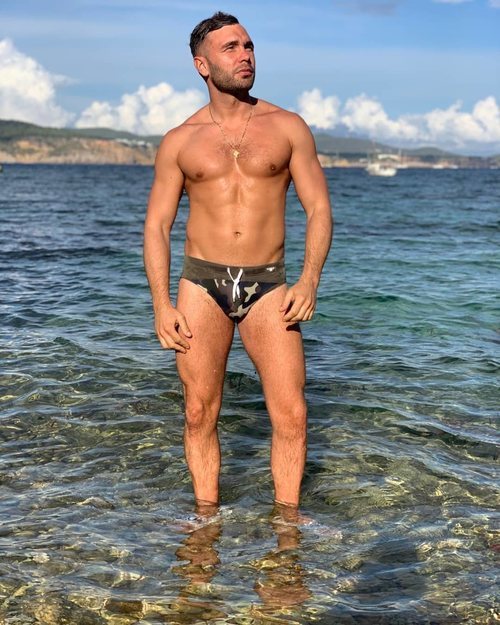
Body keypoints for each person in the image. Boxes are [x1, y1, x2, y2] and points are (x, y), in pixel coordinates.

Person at [144, 12, 333, 511]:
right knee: (198, 411)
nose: (245, 55)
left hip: (269, 285)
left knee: (292, 414)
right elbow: (157, 226)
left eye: (248, 45)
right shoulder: (180, 140)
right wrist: (161, 305)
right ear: (202, 65)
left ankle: (287, 527)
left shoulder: (288, 127)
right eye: (230, 48)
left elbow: (319, 208)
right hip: (200, 283)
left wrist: (309, 281)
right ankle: (205, 520)